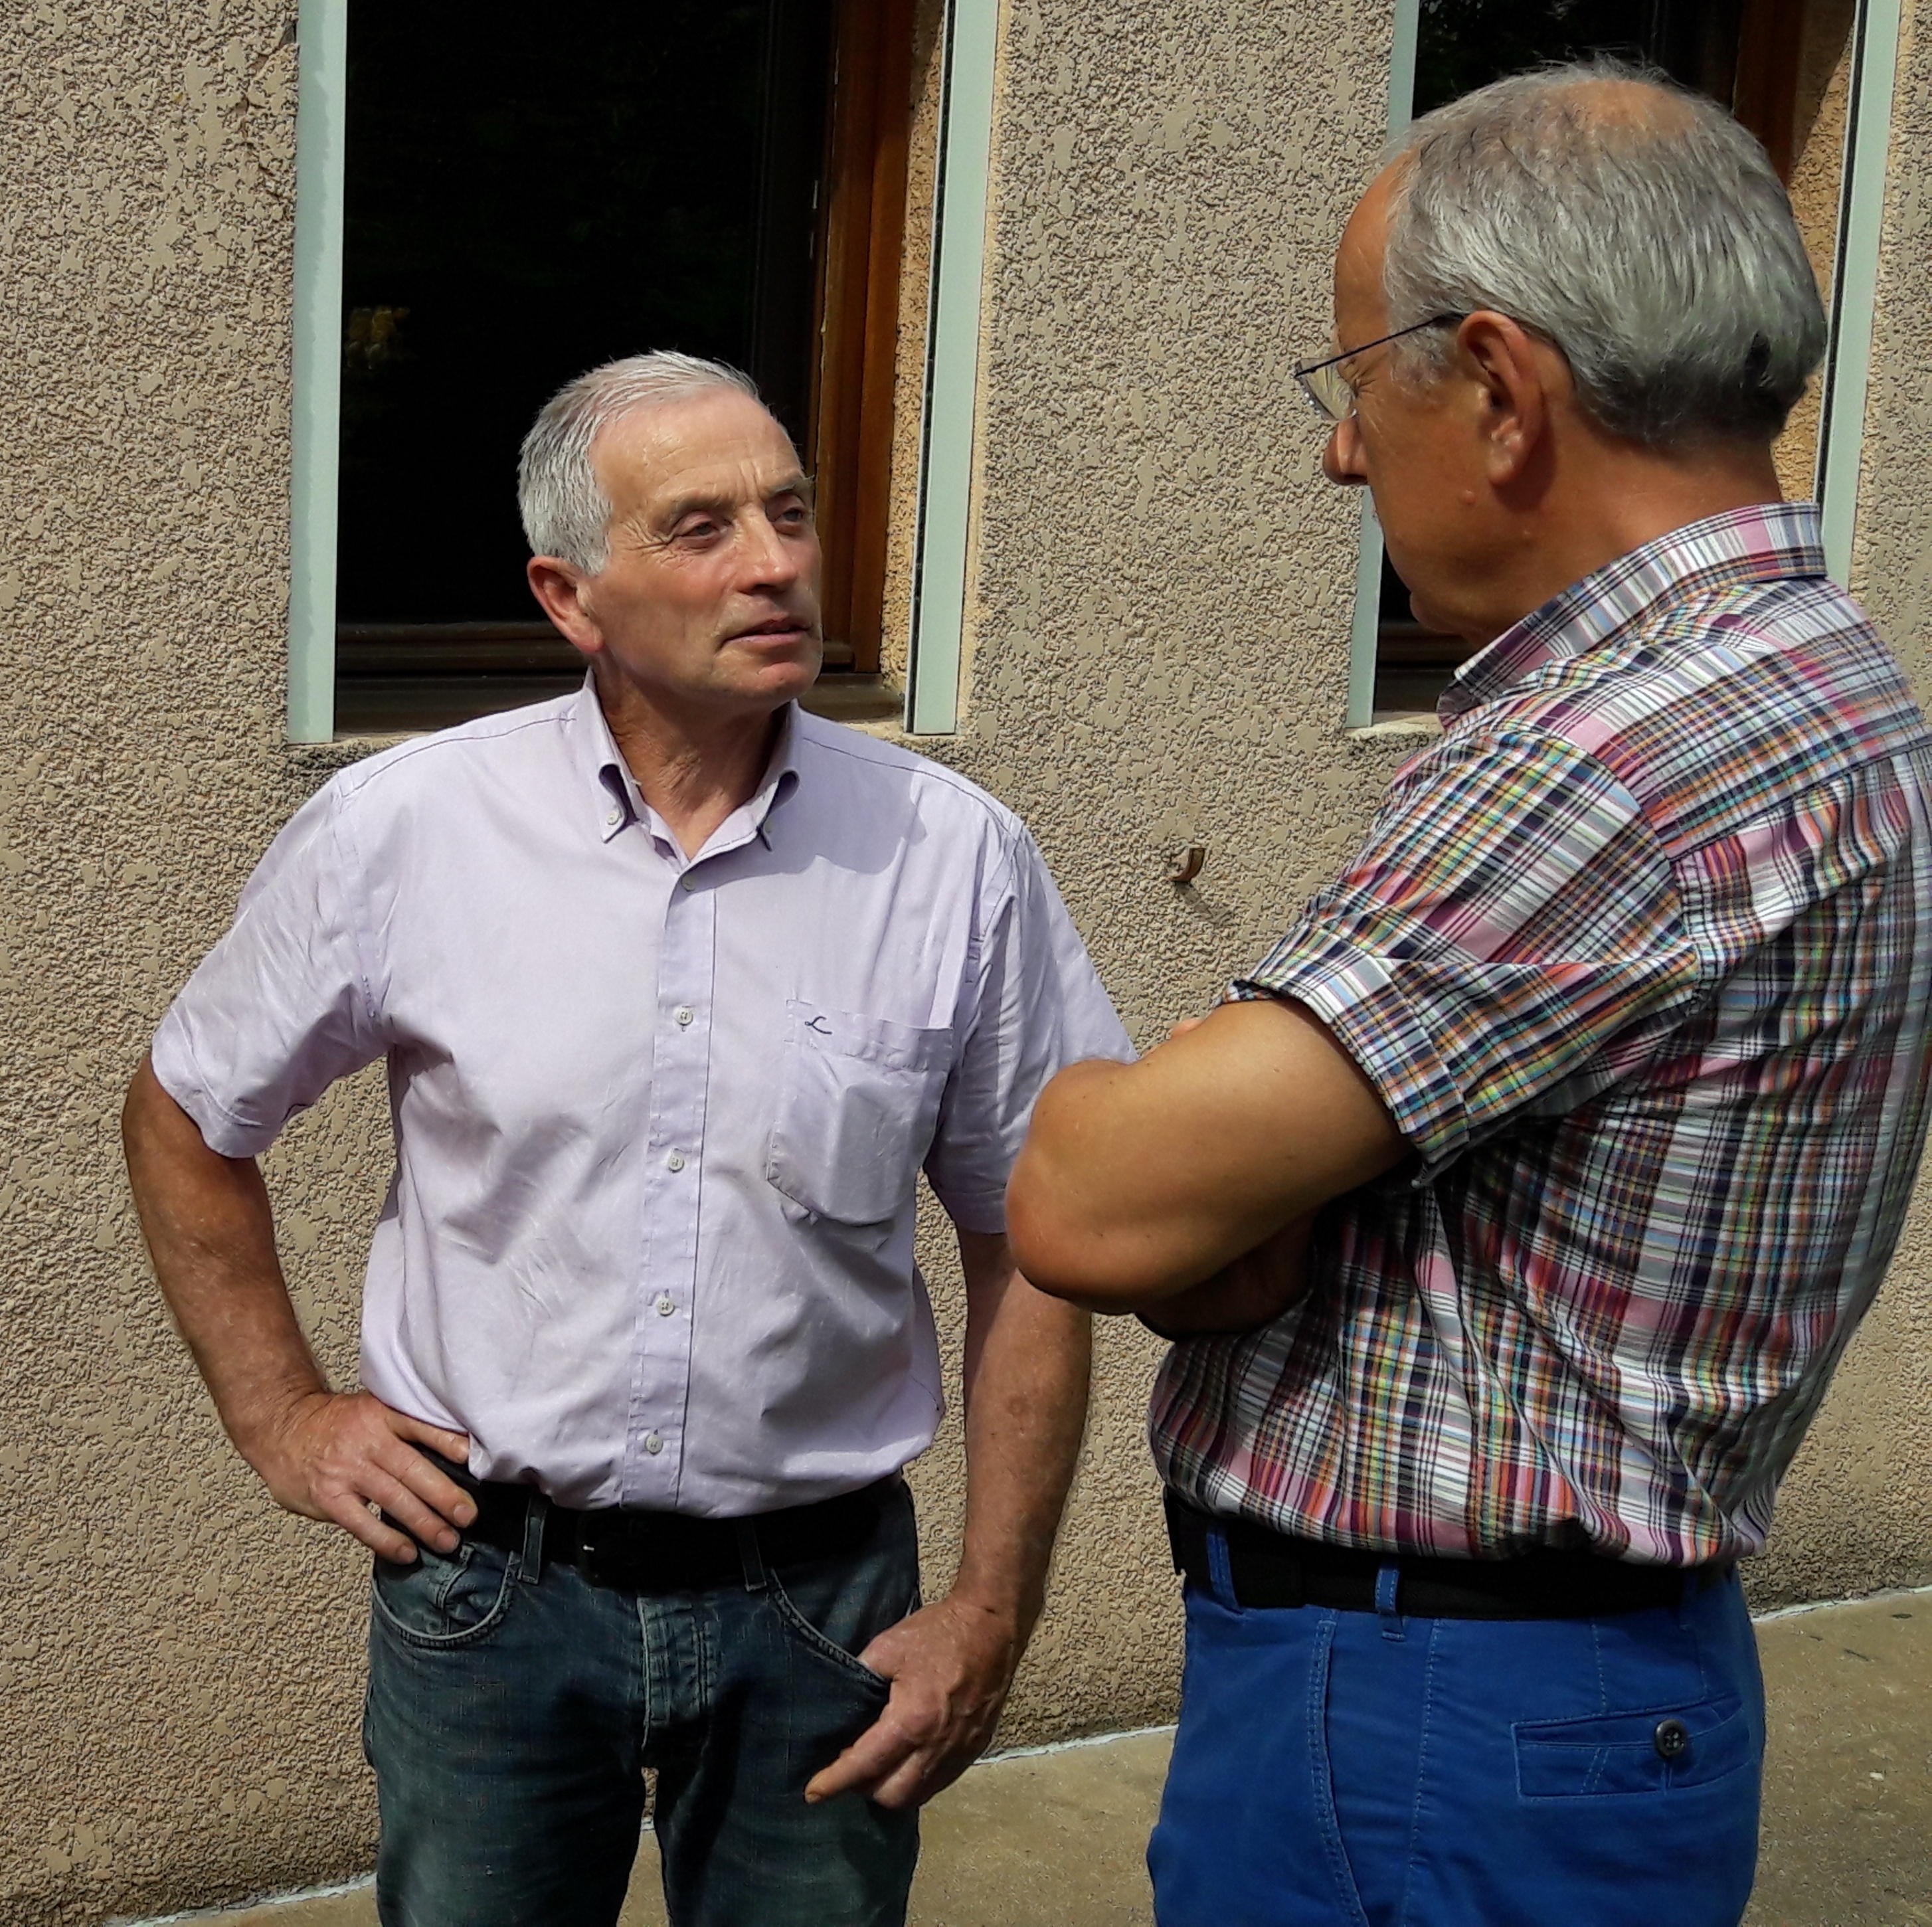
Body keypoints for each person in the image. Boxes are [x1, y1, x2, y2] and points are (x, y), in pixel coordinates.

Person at [1008, 61, 1932, 1927]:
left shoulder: (1607, 754)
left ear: (1498, 388)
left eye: (1357, 385)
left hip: (1421, 1718)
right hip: (1578, 1697)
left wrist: (1195, 1167)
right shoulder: (1822, 677)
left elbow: (1088, 1200)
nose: (1337, 454)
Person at [122, 351, 1130, 1927]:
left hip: (826, 1606)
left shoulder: (951, 856)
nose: (779, 560)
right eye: (702, 526)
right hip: (494, 1596)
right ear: (570, 595)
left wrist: (993, 1603)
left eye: (791, 512)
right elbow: (189, 1111)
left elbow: (1043, 1230)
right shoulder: (412, 830)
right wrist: (285, 1416)